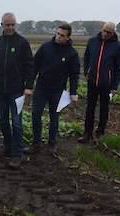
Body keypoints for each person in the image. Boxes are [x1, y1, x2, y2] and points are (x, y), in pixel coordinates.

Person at [0, 12, 34, 168]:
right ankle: (7, 146)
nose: (10, 27)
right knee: (3, 121)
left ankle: (17, 154)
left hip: (16, 91)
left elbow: (30, 66)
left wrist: (28, 86)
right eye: (8, 25)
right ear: (2, 25)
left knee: (17, 123)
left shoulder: (22, 43)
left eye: (13, 24)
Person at [24, 24, 80, 155]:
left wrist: (73, 92)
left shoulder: (72, 53)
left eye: (62, 35)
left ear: (68, 37)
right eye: (58, 33)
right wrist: (29, 86)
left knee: (54, 118)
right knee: (36, 115)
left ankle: (52, 144)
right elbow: (34, 67)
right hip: (41, 89)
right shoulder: (45, 47)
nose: (58, 37)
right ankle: (36, 143)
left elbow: (74, 75)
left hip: (58, 91)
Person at [78, 22, 120, 143]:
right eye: (104, 31)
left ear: (113, 33)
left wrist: (115, 86)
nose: (105, 34)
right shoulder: (92, 41)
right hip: (92, 81)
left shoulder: (117, 46)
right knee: (90, 108)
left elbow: (118, 67)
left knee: (104, 108)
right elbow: (86, 57)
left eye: (108, 32)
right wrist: (86, 71)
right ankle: (87, 133)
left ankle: (100, 132)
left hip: (106, 83)